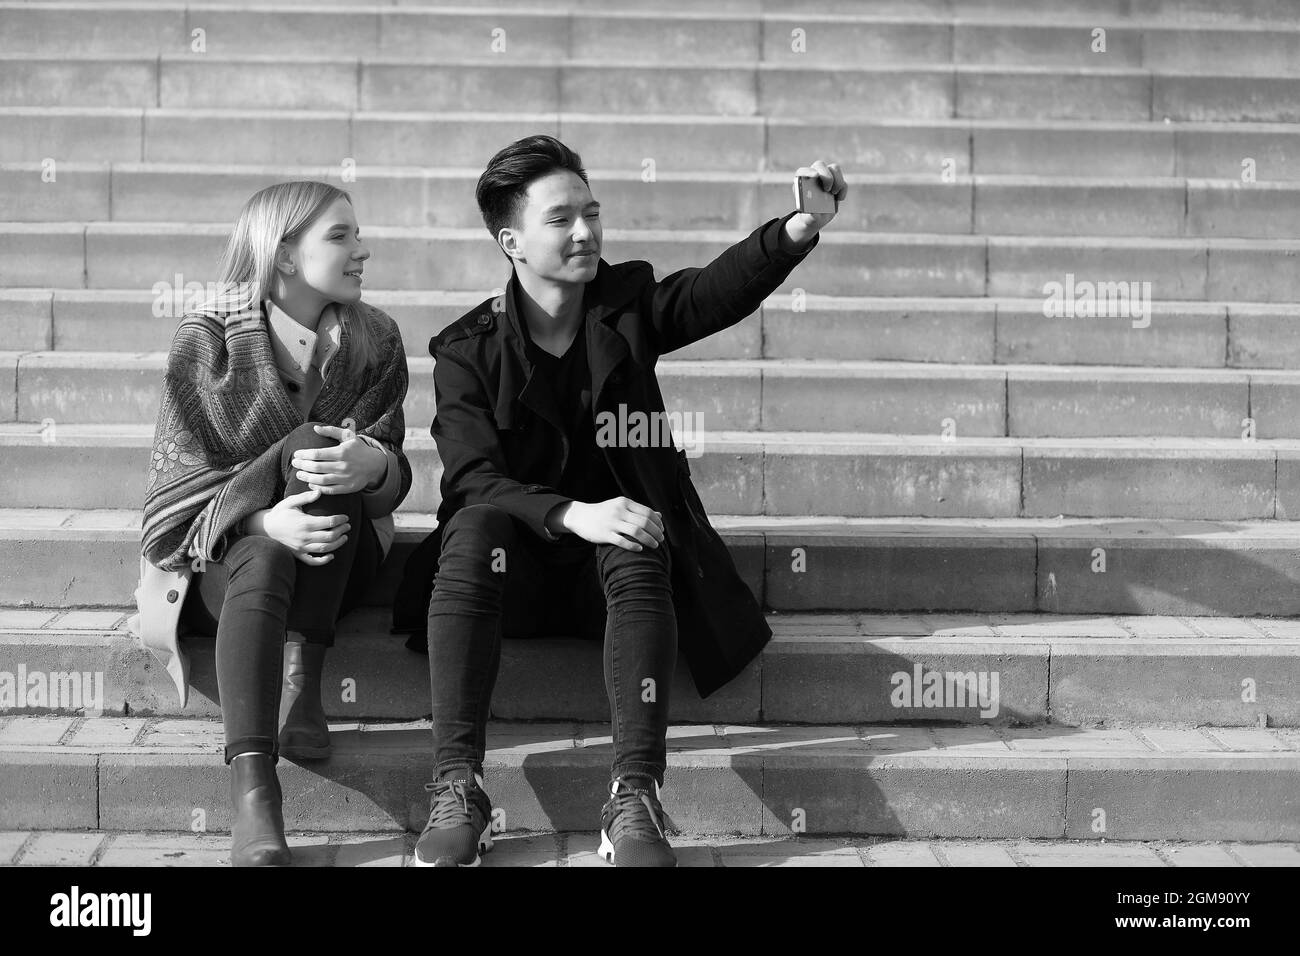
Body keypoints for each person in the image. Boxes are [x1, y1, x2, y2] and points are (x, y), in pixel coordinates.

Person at [391, 135, 846, 867]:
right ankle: (460, 788)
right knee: (473, 527)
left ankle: (634, 798)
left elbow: (708, 294)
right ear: (510, 240)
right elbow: (472, 476)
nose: (586, 232)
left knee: (637, 535)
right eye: (562, 218)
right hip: (513, 579)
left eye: (593, 213)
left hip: (621, 582)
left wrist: (795, 229)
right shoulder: (466, 352)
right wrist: (573, 512)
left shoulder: (627, 305)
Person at [133, 181, 412, 866]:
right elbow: (173, 493)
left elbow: (395, 468)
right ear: (285, 255)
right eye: (341, 236)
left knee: (322, 448)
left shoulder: (375, 340)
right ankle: (256, 793)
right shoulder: (207, 343)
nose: (362, 249)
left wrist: (369, 466)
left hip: (340, 555)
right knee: (264, 555)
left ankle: (303, 682)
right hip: (221, 566)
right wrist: (261, 520)